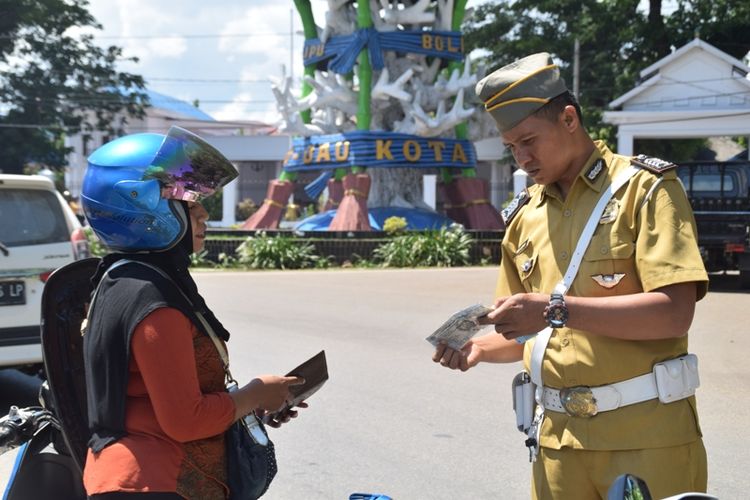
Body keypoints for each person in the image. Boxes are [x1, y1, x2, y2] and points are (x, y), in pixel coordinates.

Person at [432, 53, 709, 499]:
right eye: (511, 148)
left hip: (646, 438)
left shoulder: (646, 189)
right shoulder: (524, 217)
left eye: (528, 141)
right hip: (557, 445)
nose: (522, 160)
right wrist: (479, 348)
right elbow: (526, 329)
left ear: (568, 119)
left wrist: (556, 310)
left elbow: (674, 315)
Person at [80, 126, 305, 499]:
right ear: (140, 206)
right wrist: (254, 392)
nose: (202, 215)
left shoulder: (121, 278)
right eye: (187, 202)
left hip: (131, 478)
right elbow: (185, 420)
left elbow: (158, 395)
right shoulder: (154, 301)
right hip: (156, 481)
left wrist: (255, 406)